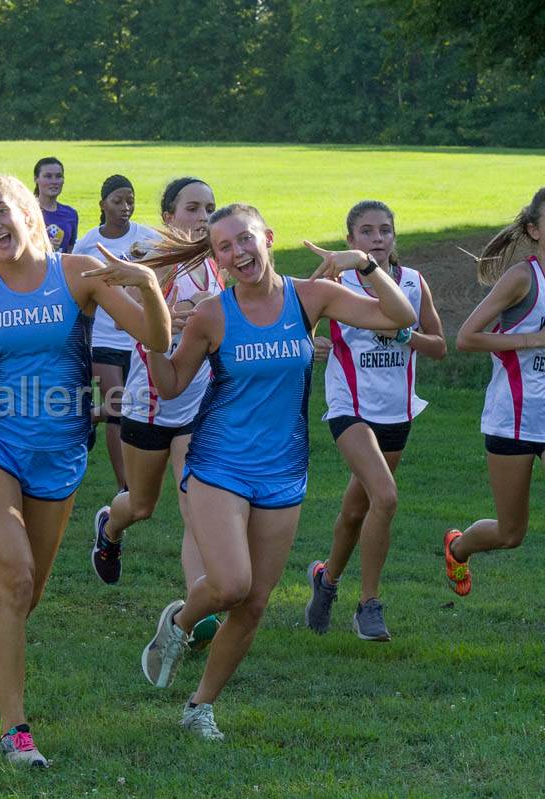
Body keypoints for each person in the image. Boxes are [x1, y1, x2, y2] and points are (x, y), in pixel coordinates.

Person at [136, 204, 415, 742]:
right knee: (232, 584)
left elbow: (399, 318)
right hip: (219, 462)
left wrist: (363, 263)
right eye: (224, 247)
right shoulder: (213, 315)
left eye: (245, 240)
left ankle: (200, 707)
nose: (238, 253)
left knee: (256, 602)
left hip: (284, 470)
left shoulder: (310, 298)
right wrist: (152, 335)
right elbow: (170, 385)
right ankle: (178, 624)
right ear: (216, 258)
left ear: (267, 238)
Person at [0, 173, 170, 766]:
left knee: (26, 594)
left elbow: (156, 336)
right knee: (20, 580)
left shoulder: (77, 273)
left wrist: (147, 284)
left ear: (25, 210)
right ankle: (16, 732)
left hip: (62, 453)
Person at [90, 179, 222, 651]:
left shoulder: (221, 266)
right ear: (168, 216)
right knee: (141, 506)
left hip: (198, 406)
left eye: (209, 207)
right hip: (150, 405)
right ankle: (109, 526)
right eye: (192, 208)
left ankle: (196, 608)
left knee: (195, 509)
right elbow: (151, 331)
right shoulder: (150, 266)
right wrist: (172, 314)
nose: (203, 216)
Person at [305, 201, 446, 641]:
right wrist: (314, 345)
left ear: (394, 238)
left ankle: (325, 582)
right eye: (366, 231)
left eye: (385, 230)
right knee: (385, 497)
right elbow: (293, 331)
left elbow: (439, 346)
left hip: (397, 413)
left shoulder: (413, 283)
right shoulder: (336, 283)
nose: (378, 238)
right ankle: (368, 605)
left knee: (355, 509)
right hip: (350, 408)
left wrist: (402, 334)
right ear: (350, 242)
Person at [444, 188, 545, 597]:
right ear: (535, 230)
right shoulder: (522, 278)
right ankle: (458, 547)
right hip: (514, 419)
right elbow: (467, 338)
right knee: (510, 533)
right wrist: (532, 340)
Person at [75, 174, 161, 490]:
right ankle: (125, 485)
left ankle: (83, 418)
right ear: (103, 204)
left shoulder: (148, 239)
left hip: (139, 337)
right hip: (102, 338)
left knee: (136, 405)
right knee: (117, 408)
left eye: (130, 200)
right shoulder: (87, 244)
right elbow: (75, 288)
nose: (126, 207)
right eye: (118, 201)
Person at [33, 157, 77, 253]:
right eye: (48, 176)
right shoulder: (26, 213)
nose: (54, 181)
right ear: (36, 179)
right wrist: (43, 247)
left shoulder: (71, 214)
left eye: (58, 176)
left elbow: (70, 250)